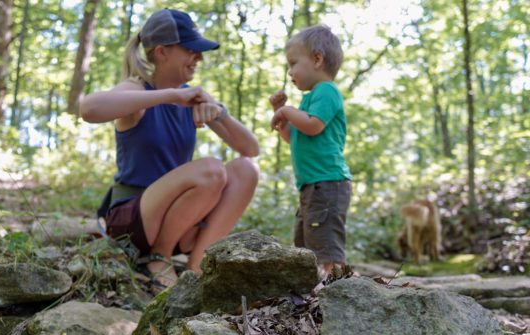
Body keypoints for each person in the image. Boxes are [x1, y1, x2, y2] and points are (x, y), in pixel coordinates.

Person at [81, 8, 259, 288]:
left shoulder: (193, 99)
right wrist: (173, 96)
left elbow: (250, 148)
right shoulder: (138, 88)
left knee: (245, 170)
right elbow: (89, 108)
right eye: (191, 49)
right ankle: (158, 256)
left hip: (177, 221)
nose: (199, 57)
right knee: (211, 169)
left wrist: (219, 112)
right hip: (132, 222)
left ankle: (197, 271)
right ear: (162, 52)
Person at [269, 25, 352, 277]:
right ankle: (317, 289)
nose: (290, 71)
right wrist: (281, 115)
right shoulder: (309, 99)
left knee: (325, 244)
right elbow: (295, 137)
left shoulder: (326, 91)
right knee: (307, 241)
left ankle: (336, 286)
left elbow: (314, 125)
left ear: (317, 59)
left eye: (293, 63)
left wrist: (287, 111)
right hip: (312, 186)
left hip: (327, 182)